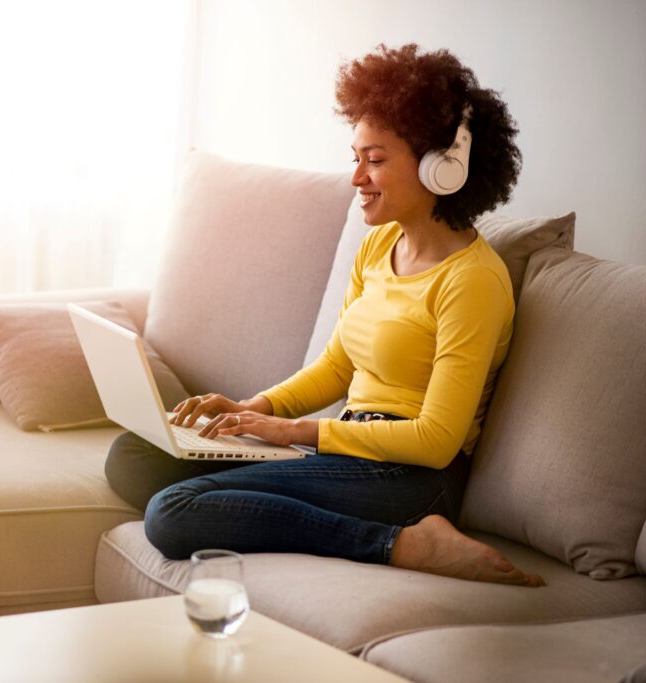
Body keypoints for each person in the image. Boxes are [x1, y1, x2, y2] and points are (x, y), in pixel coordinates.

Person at [104, 43, 545, 587]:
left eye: (376, 160)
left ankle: (401, 544)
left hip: (410, 477)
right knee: (135, 456)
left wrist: (294, 432)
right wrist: (249, 411)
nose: (357, 177)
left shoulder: (471, 280)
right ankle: (335, 519)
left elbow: (437, 439)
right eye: (354, 157)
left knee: (171, 513)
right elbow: (338, 366)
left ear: (443, 167)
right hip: (352, 447)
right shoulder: (377, 246)